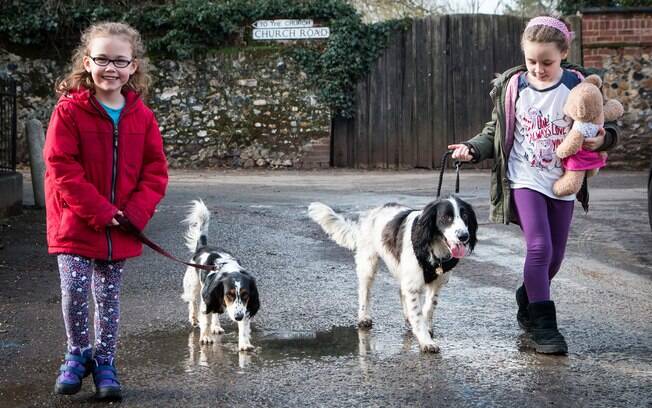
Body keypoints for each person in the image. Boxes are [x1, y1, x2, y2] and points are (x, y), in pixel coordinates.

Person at [448, 16, 618, 355]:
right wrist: (473, 148)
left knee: (554, 259)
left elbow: (604, 125)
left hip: (564, 180)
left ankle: (527, 296)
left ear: (564, 53)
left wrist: (602, 142)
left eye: (547, 62)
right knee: (539, 249)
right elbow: (493, 131)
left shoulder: (579, 84)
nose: (538, 68)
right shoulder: (515, 87)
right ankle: (544, 327)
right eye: (532, 61)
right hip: (524, 178)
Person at [44, 22, 168, 400]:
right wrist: (100, 210)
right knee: (75, 291)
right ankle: (78, 353)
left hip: (121, 227)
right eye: (102, 59)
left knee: (109, 296)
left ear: (133, 67)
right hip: (76, 222)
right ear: (87, 62)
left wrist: (134, 213)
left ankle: (106, 362)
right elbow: (61, 166)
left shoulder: (142, 116)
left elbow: (155, 170)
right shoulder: (69, 111)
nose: (110, 68)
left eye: (120, 61)